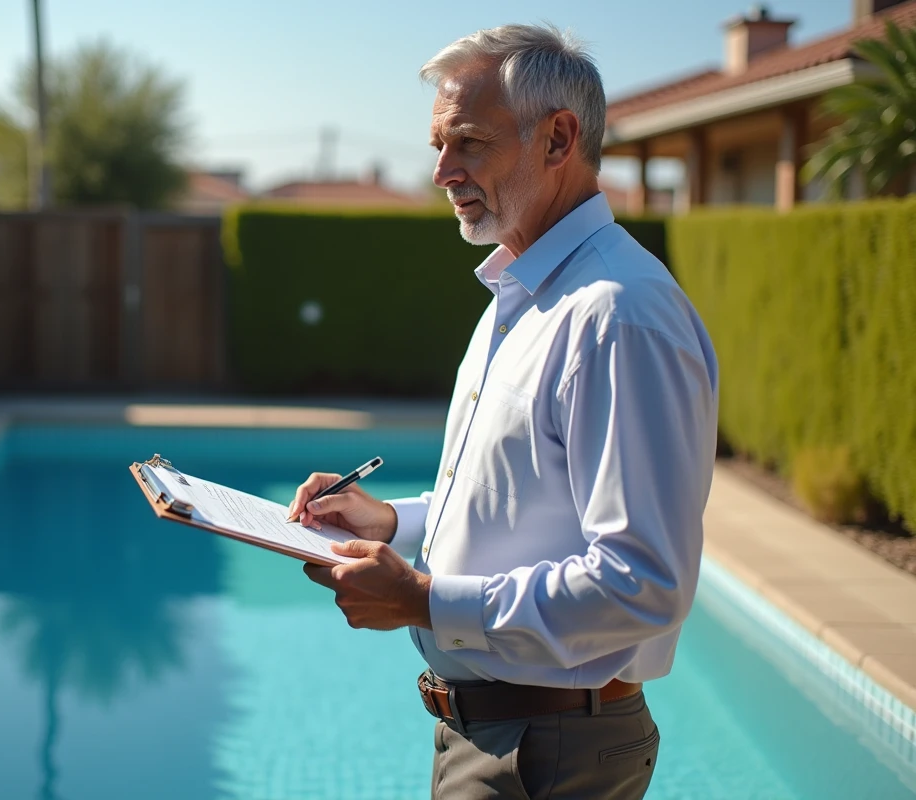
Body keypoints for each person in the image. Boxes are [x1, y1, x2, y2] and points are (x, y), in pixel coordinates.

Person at [290, 23, 719, 800]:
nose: (441, 172)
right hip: (513, 737)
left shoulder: (618, 315)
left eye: (468, 144)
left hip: (545, 751)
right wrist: (392, 523)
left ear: (559, 139)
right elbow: (519, 500)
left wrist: (423, 600)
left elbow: (644, 580)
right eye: (437, 146)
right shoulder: (524, 296)